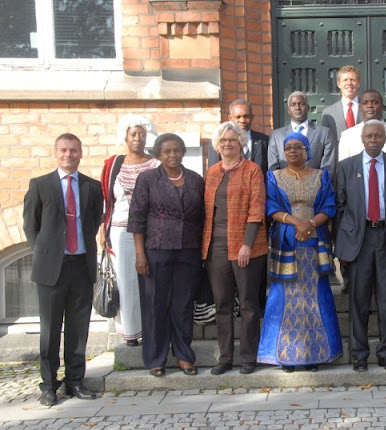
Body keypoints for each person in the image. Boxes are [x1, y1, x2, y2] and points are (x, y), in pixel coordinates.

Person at [23, 133, 103, 406]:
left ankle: (75, 381)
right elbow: (31, 226)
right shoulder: (40, 185)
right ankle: (48, 386)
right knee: (50, 331)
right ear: (56, 153)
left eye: (74, 150)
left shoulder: (92, 187)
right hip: (51, 269)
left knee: (78, 329)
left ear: (81, 153)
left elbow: (93, 221)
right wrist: (47, 253)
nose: (69, 155)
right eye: (64, 150)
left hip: (81, 265)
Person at [257, 132, 342, 372]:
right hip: (287, 243)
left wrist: (310, 224)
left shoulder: (321, 175)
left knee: (315, 297)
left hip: (314, 244)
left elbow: (329, 205)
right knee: (284, 297)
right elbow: (271, 206)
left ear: (307, 151)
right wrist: (298, 223)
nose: (293, 151)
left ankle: (314, 354)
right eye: (288, 148)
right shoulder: (273, 177)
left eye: (298, 147)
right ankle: (286, 355)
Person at [335, 119, 386, 372]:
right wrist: (342, 247)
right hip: (359, 241)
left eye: (377, 136)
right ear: (362, 138)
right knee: (358, 299)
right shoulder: (346, 167)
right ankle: (359, 354)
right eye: (368, 136)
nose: (373, 141)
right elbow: (339, 209)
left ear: (384, 139)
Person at [128, 133, 204, 377]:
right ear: (159, 155)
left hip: (188, 250)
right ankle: (156, 358)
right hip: (156, 250)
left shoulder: (195, 179)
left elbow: (202, 217)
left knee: (183, 304)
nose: (173, 155)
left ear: (183, 152)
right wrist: (140, 254)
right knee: (155, 305)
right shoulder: (147, 179)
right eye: (167, 151)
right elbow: (137, 217)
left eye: (177, 150)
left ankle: (184, 356)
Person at [204, 122, 269, 376]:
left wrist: (247, 244)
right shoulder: (211, 173)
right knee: (222, 304)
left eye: (232, 139)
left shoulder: (252, 170)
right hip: (216, 247)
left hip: (247, 246)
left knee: (248, 304)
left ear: (241, 142)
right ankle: (225, 358)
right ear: (217, 145)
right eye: (223, 140)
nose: (227, 144)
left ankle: (248, 358)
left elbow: (257, 208)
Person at [100, 114, 159, 347]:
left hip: (151, 230)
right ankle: (131, 332)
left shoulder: (156, 164)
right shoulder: (113, 164)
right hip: (120, 230)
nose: (137, 138)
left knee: (150, 279)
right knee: (126, 281)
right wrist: (102, 229)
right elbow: (106, 199)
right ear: (125, 137)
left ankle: (152, 328)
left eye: (142, 134)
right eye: (133, 134)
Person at [338, 90, 386, 171]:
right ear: (360, 108)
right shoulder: (347, 136)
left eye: (375, 102)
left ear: (382, 107)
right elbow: (343, 170)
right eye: (365, 103)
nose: (370, 106)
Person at [268, 91, 336, 177]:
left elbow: (328, 167)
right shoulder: (276, 136)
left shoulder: (324, 133)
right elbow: (273, 169)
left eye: (301, 104)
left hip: (316, 184)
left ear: (308, 108)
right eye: (293, 105)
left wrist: (317, 183)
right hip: (285, 184)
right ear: (288, 110)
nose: (297, 108)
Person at [208, 99, 269, 174]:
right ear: (230, 118)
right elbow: (213, 172)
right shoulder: (219, 142)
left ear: (252, 117)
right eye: (238, 117)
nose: (242, 120)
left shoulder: (264, 140)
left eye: (246, 116)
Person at [321, 65, 363, 141]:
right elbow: (325, 141)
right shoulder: (328, 113)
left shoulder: (368, 108)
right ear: (338, 84)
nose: (349, 83)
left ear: (359, 83)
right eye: (345, 80)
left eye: (353, 80)